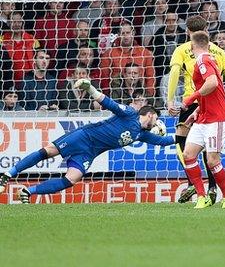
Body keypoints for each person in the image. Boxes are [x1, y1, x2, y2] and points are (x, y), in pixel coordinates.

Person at [0, 80, 173, 203]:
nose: (155, 123)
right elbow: (108, 102)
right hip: (84, 136)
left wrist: (185, 134)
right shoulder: (129, 113)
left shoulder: (141, 134)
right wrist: (90, 88)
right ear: (149, 114)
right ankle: (8, 174)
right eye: (156, 118)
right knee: (48, 152)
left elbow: (164, 141)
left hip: (90, 153)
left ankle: (28, 191)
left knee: (71, 179)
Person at [167, 15, 225, 205]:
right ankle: (202, 196)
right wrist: (198, 111)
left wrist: (187, 99)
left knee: (212, 159)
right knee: (189, 154)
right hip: (203, 113)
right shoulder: (217, 53)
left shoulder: (202, 59)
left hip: (217, 118)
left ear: (192, 42)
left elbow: (212, 82)